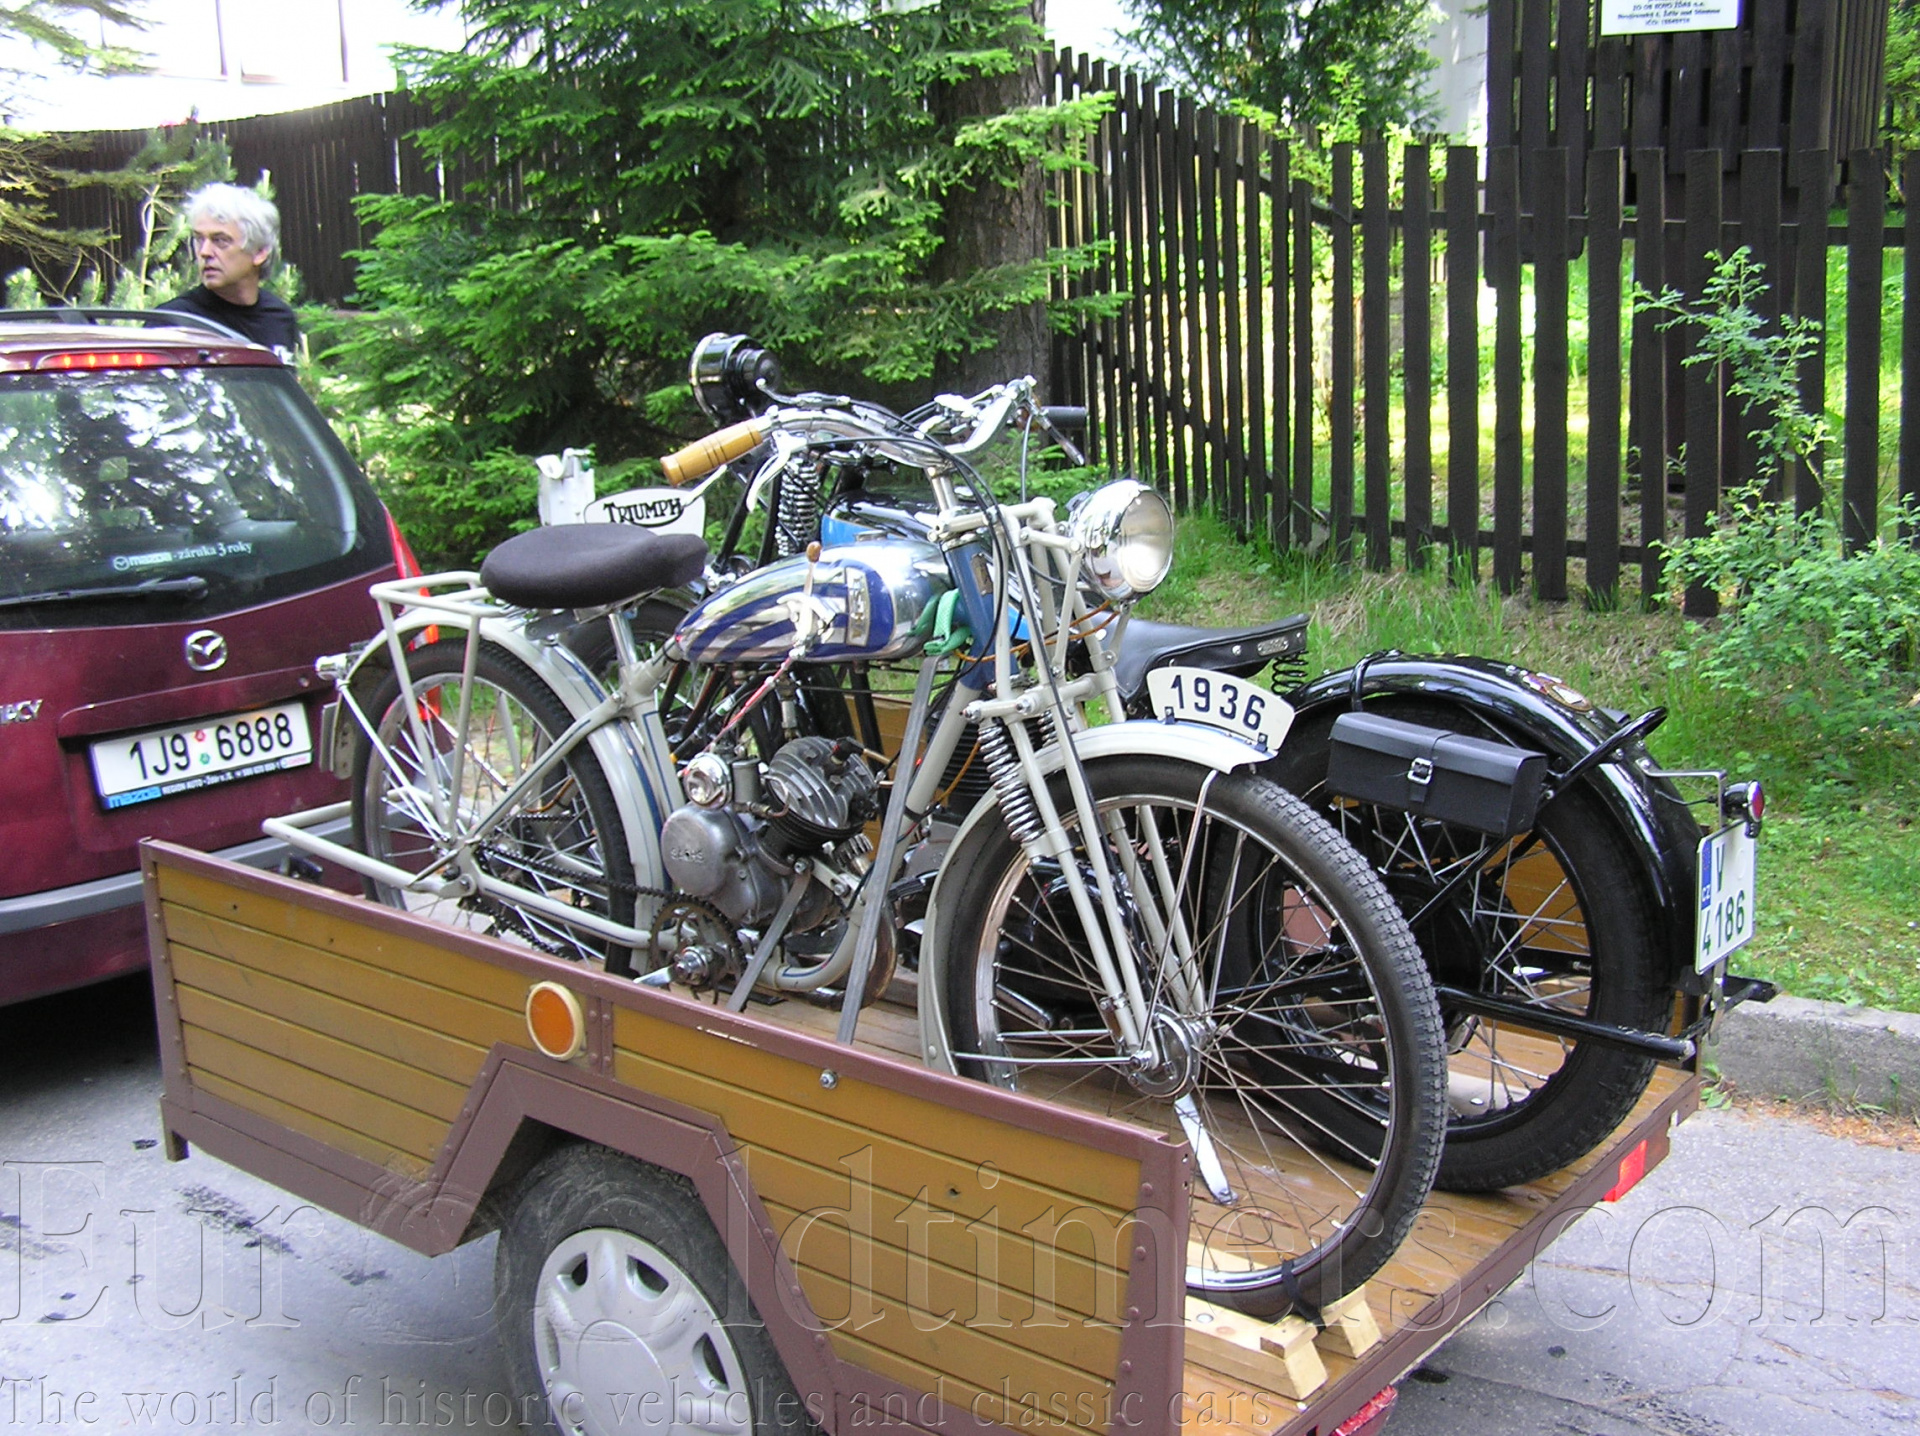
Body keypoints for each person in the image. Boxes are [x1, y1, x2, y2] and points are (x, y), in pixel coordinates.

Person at [157, 183, 300, 359]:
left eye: (220, 240)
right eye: (199, 239)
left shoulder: (279, 318)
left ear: (260, 252)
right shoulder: (174, 322)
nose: (205, 252)